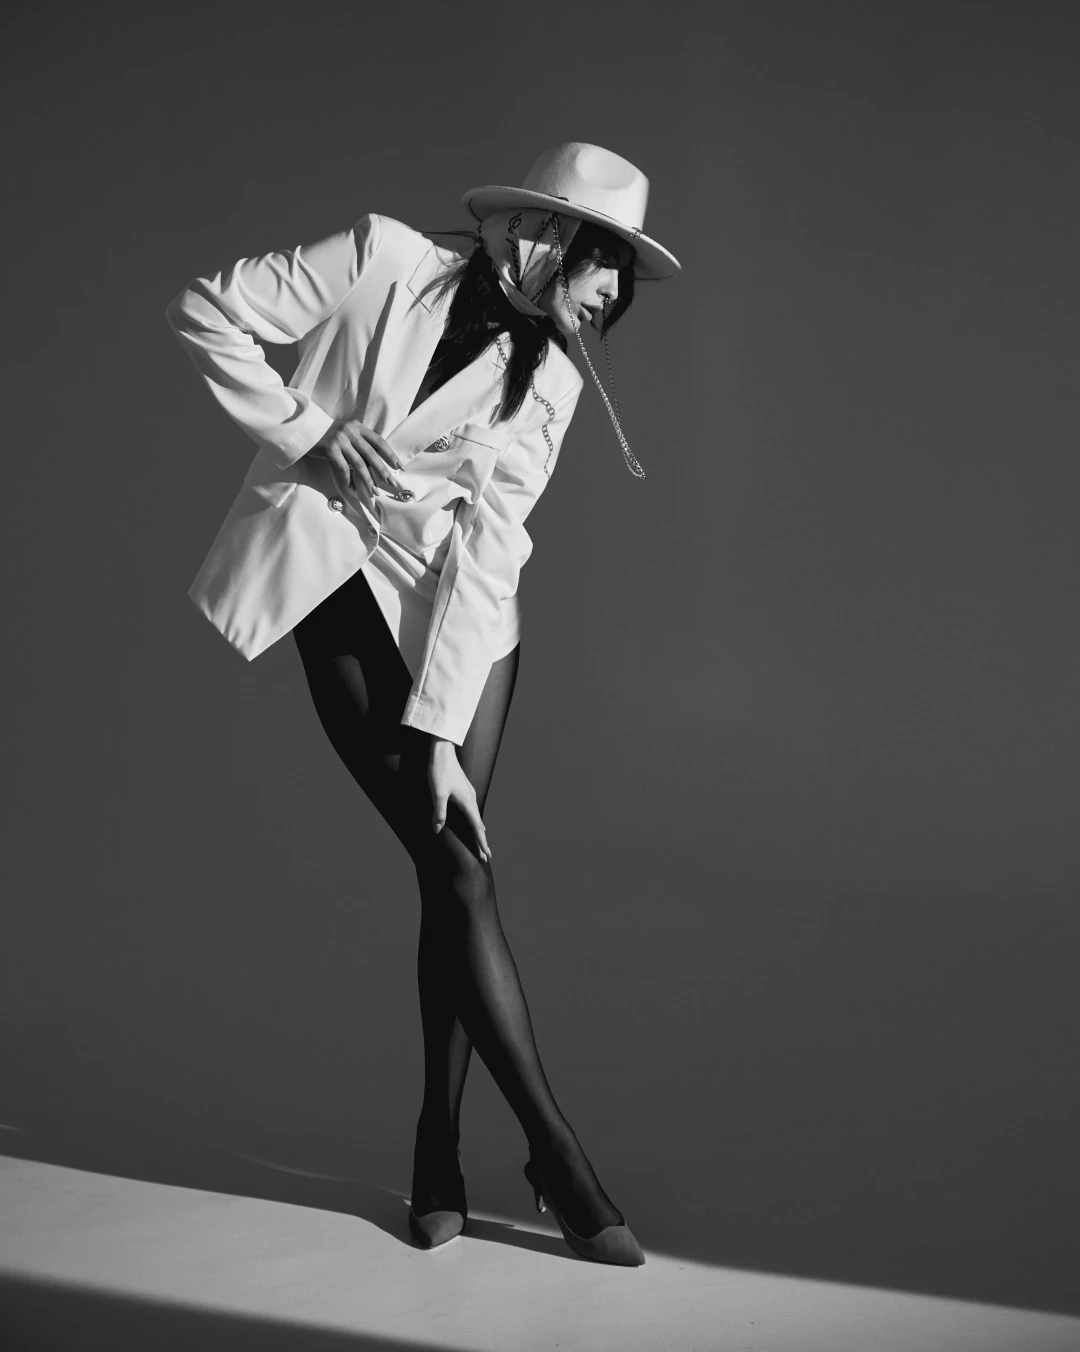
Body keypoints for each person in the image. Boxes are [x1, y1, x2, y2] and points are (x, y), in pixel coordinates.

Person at [166, 142, 681, 1265]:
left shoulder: (554, 382)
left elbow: (493, 549)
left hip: (464, 623)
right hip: (338, 581)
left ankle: (437, 1151)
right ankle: (555, 1153)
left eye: (622, 281)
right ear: (543, 237)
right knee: (457, 871)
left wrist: (440, 730)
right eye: (604, 265)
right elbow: (206, 309)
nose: (611, 295)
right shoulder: (379, 257)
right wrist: (308, 431)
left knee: (451, 870)